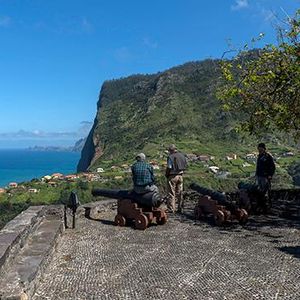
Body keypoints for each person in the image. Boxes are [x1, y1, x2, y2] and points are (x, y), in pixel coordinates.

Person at [165, 144, 187, 213]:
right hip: (180, 176)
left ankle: (171, 209)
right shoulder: (182, 156)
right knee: (180, 192)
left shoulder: (171, 157)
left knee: (171, 193)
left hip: (172, 176)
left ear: (170, 150)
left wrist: (167, 174)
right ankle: (180, 208)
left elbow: (169, 167)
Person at [255, 142, 276, 210]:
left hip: (265, 177)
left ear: (264, 149)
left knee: (266, 192)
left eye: (261, 148)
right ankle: (261, 205)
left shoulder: (268, 156)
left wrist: (270, 175)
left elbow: (272, 167)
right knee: (259, 191)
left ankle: (268, 206)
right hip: (259, 176)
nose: (259, 149)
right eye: (259, 148)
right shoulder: (259, 156)